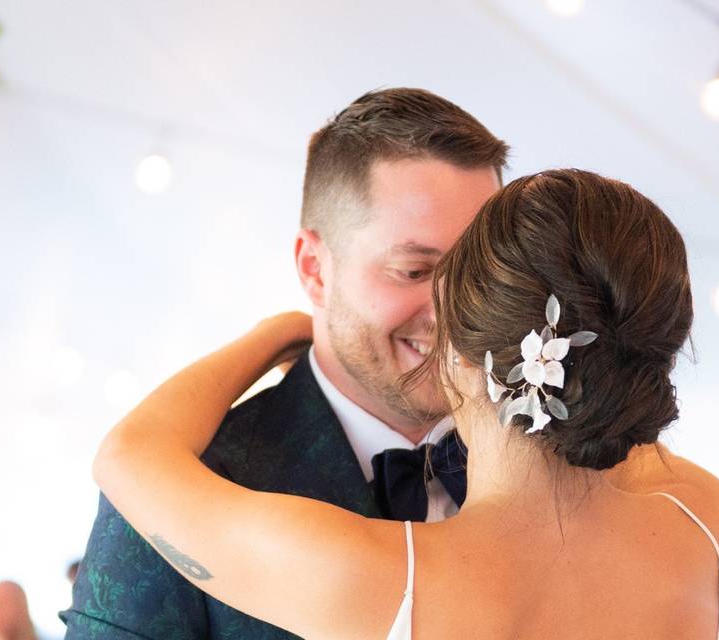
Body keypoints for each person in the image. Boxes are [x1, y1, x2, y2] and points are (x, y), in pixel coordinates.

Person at [92, 169, 719, 638]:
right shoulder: (707, 521)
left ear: (456, 349)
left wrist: (280, 332)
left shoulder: (374, 581)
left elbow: (128, 458)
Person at [61, 87, 508, 639]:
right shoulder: (174, 487)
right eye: (413, 271)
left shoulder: (553, 471)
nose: (455, 313)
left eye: (479, 274)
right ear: (315, 268)